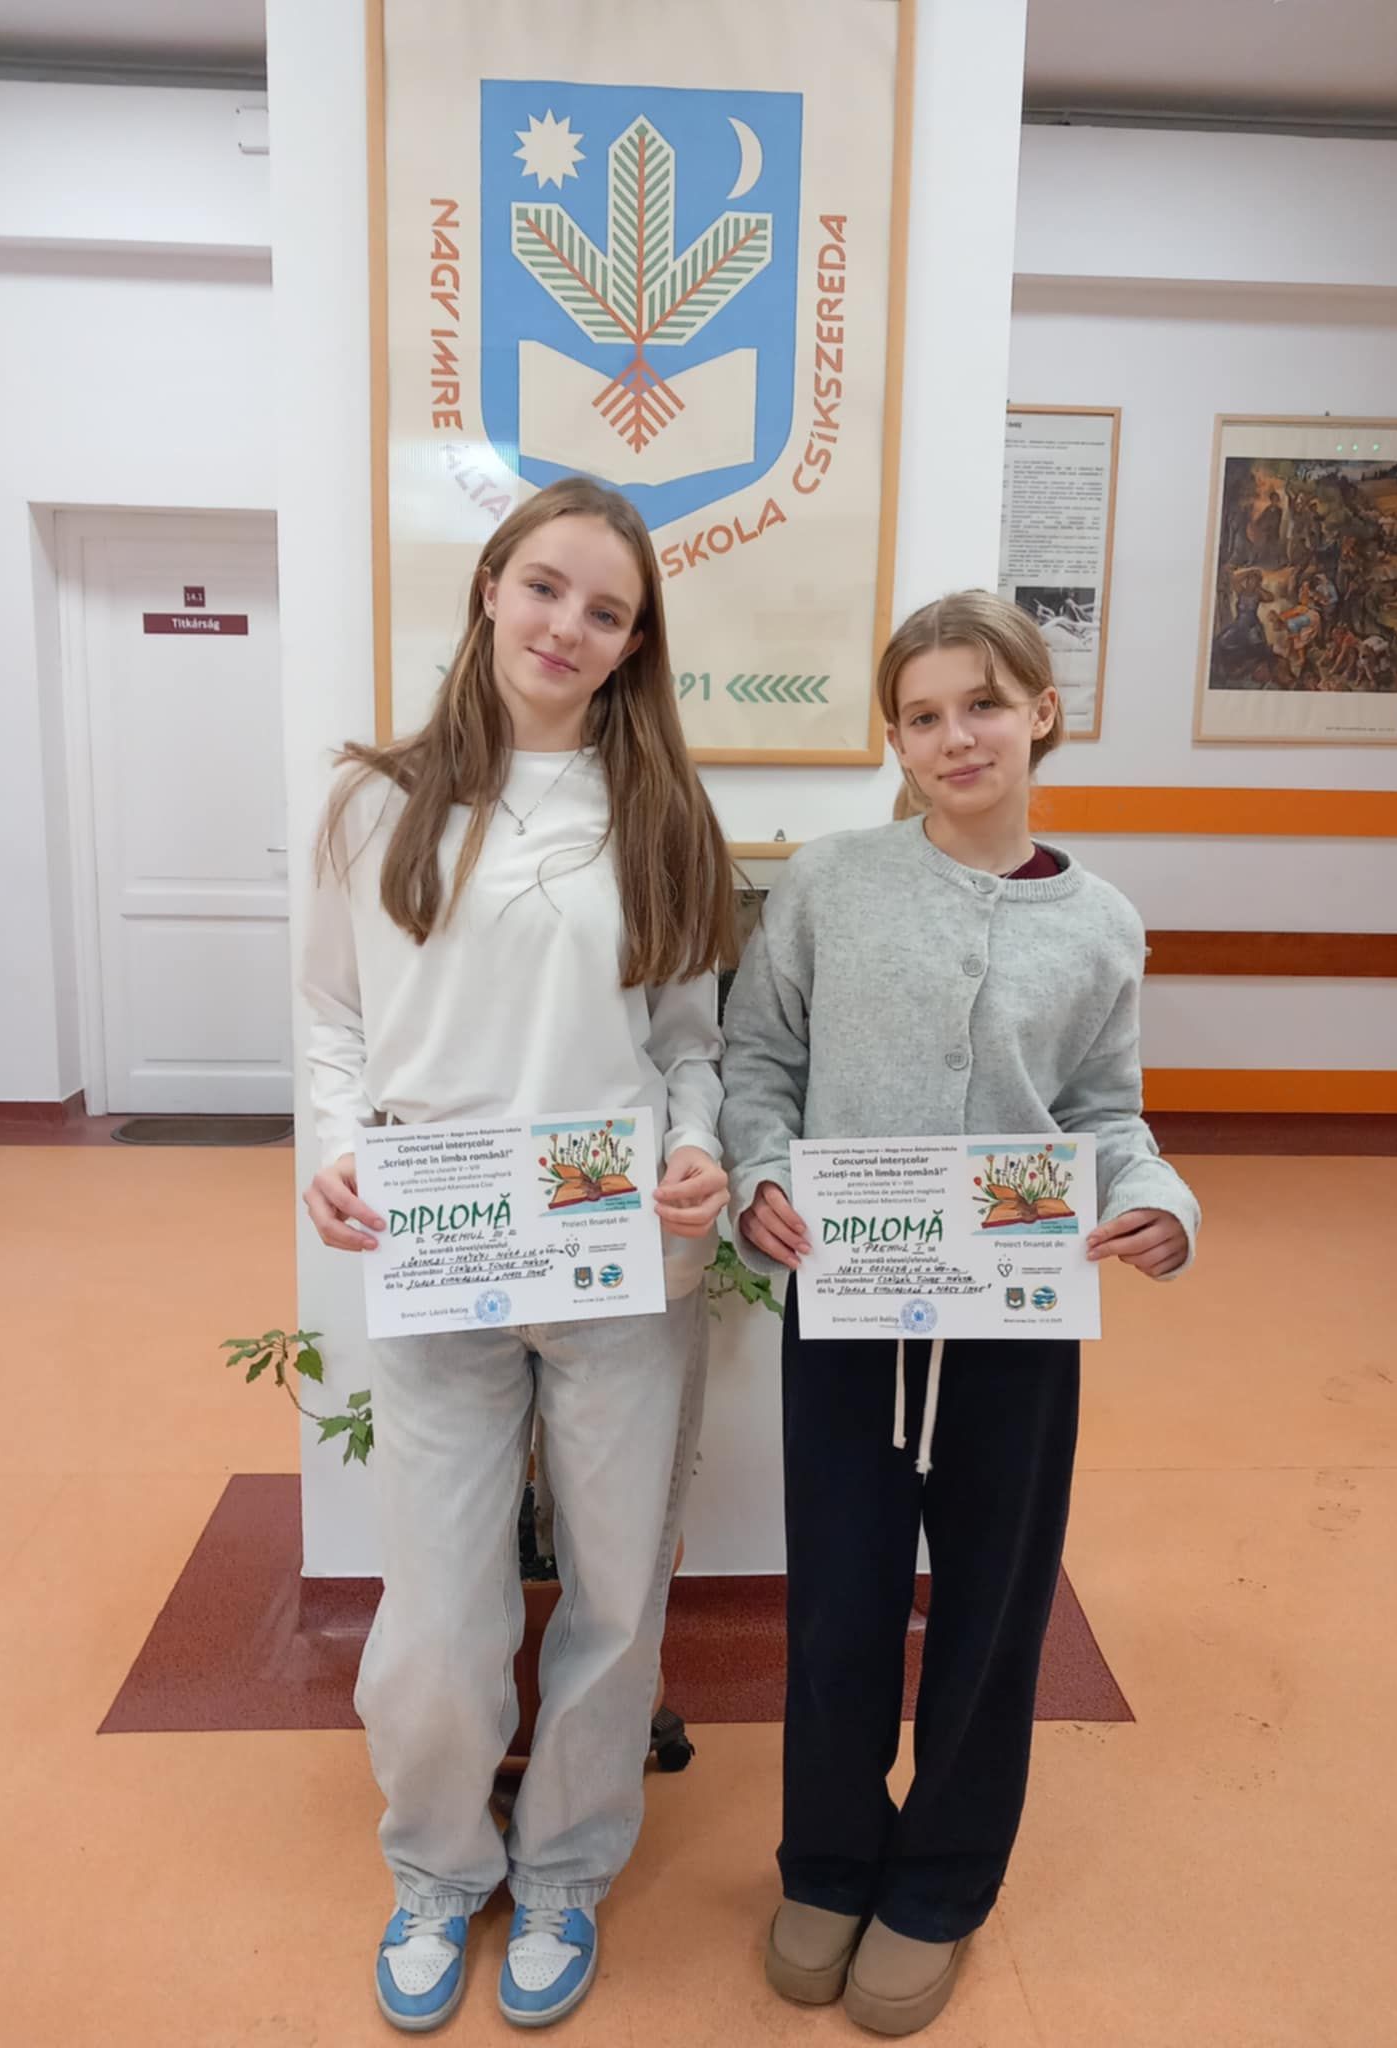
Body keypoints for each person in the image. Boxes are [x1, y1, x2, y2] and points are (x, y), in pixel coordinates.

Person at [719, 589, 1200, 2037]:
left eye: (984, 704)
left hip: (1016, 1322)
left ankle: (940, 1881)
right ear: (896, 738)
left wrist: (1159, 1198)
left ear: (1042, 710)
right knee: (842, 1593)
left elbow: (1106, 1110)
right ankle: (828, 1859)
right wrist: (757, 1175)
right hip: (848, 1304)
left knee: (994, 1601)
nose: (956, 738)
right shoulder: (830, 885)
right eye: (923, 716)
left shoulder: (1101, 923)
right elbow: (760, 1061)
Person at [300, 476, 733, 2032]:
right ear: (491, 586)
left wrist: (697, 1147)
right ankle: (436, 1865)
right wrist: (333, 1151)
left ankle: (565, 1868)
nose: (568, 627)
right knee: (437, 1607)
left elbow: (689, 1043)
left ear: (634, 644)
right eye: (545, 587)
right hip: (440, 1256)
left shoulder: (663, 813)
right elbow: (333, 1017)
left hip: (618, 1262)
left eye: (607, 611)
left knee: (616, 1595)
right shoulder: (373, 802)